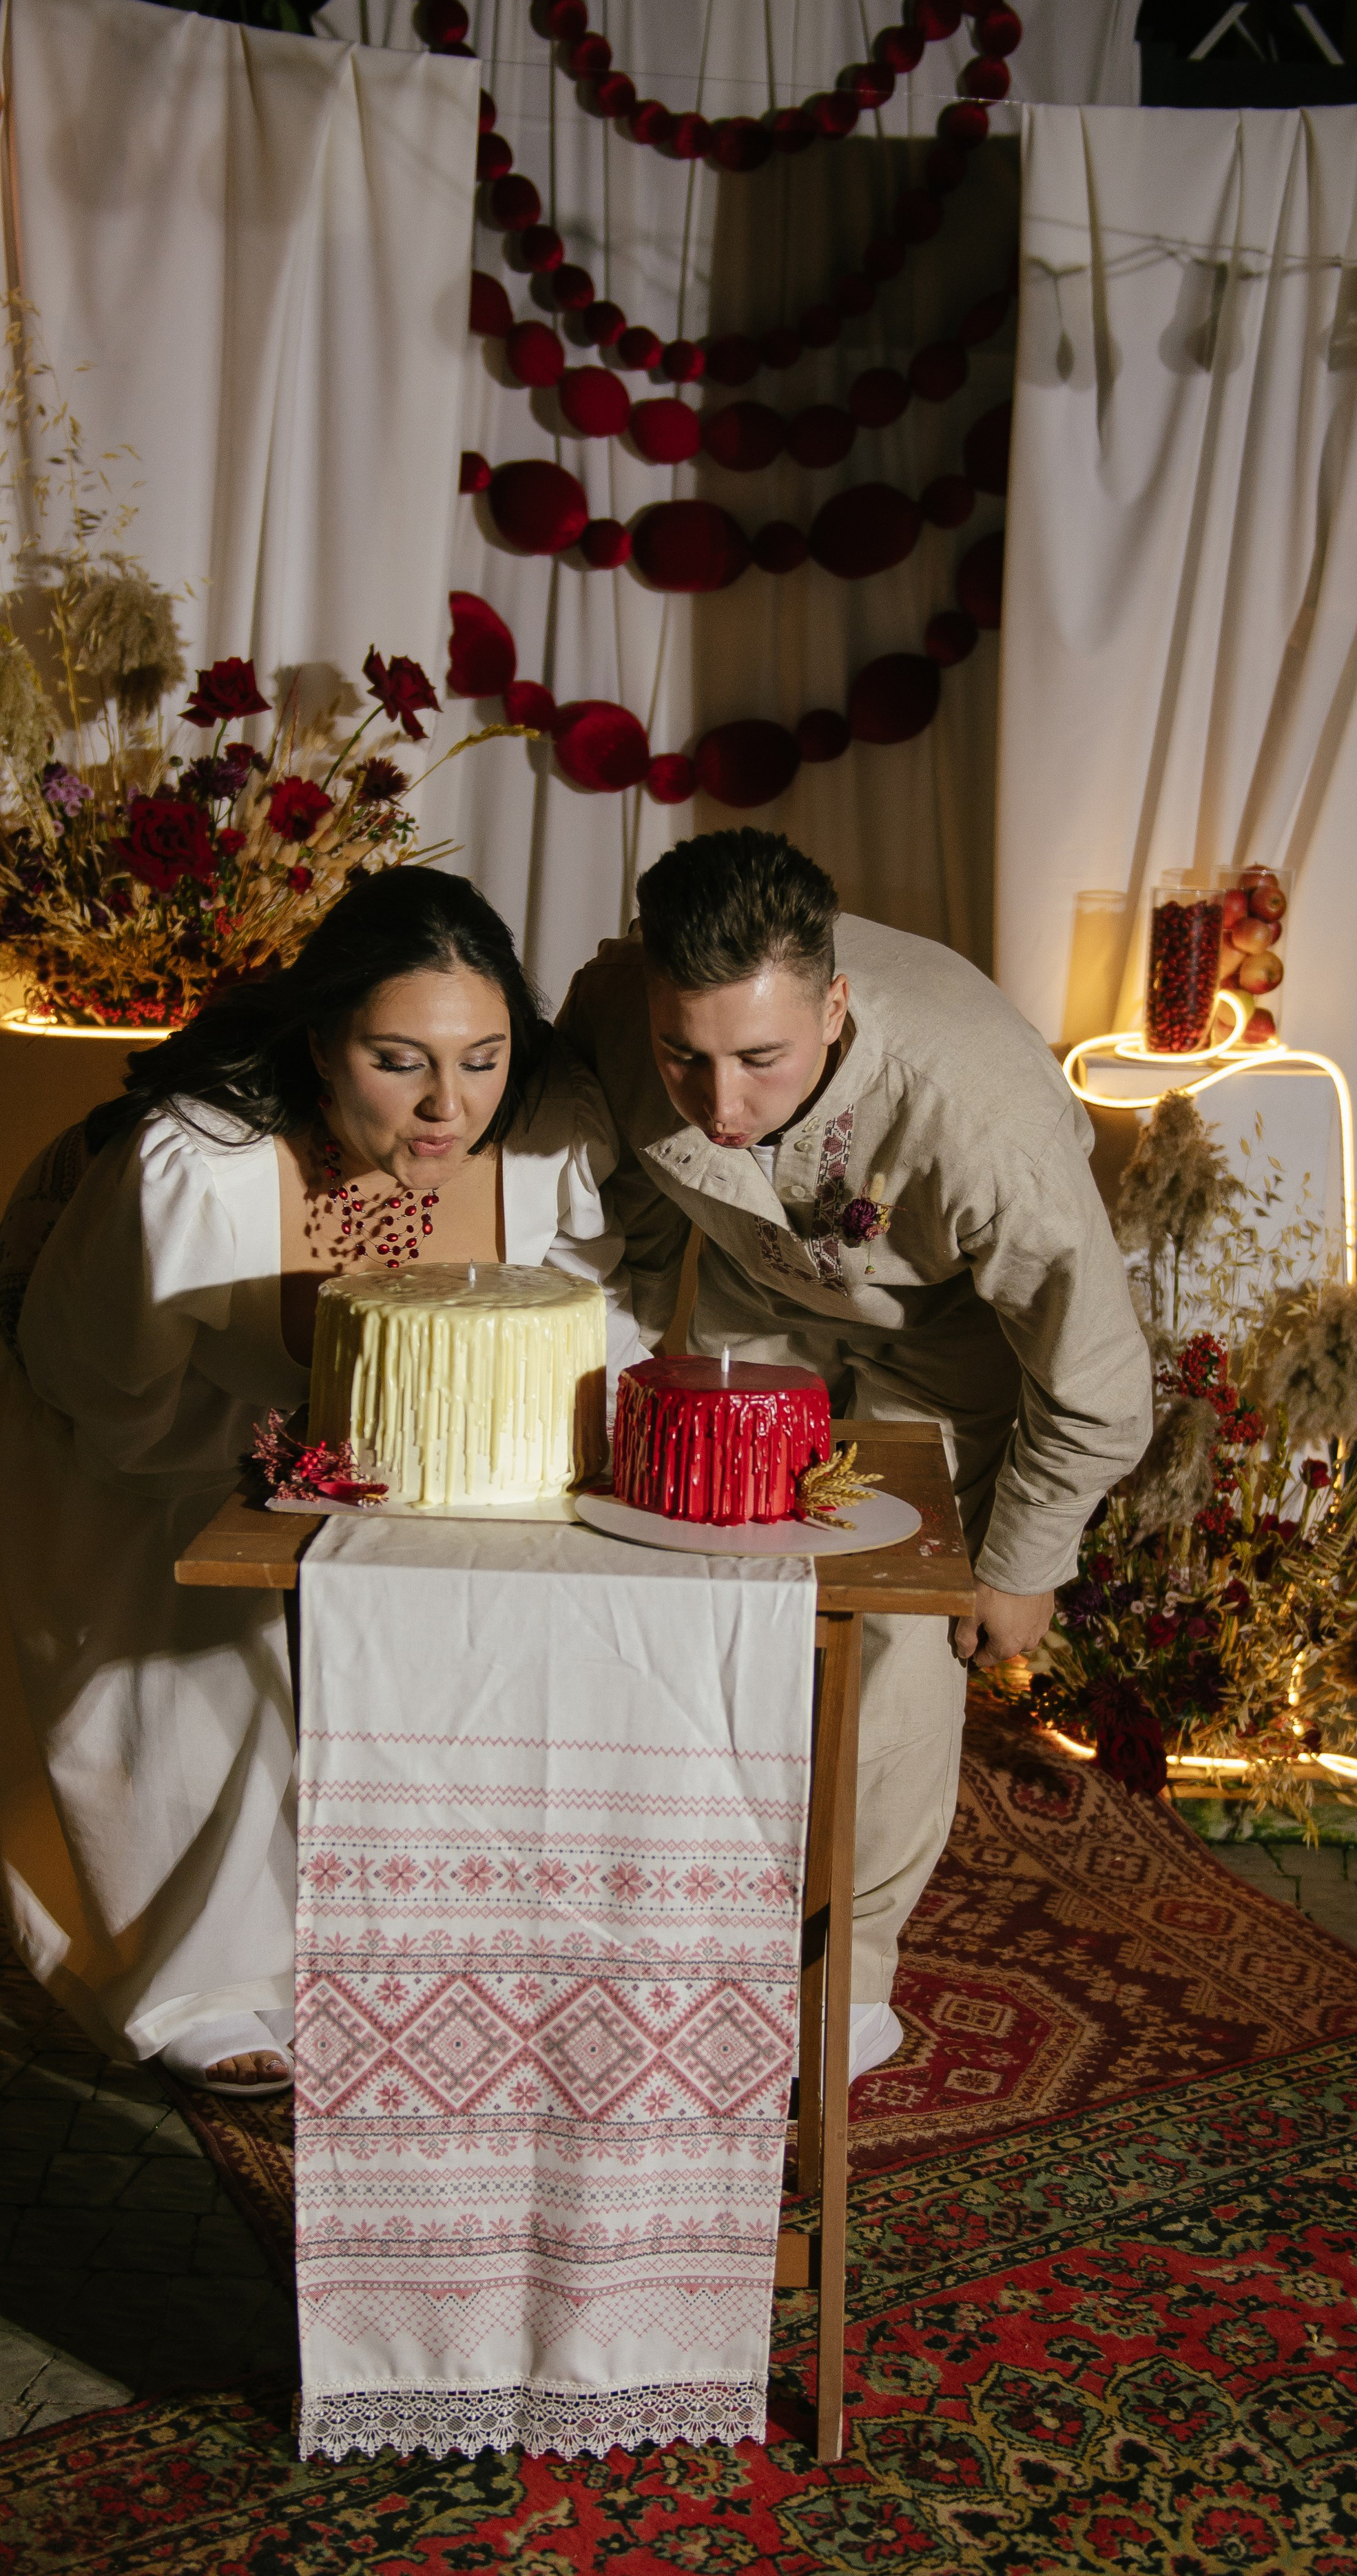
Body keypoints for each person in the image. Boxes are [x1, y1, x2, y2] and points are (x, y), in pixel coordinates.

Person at [0, 869, 636, 2096]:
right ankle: (199, 1978)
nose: (450, 1107)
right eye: (401, 1061)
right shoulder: (195, 1165)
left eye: (483, 1059)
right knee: (186, 1658)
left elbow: (582, 1318)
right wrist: (273, 1470)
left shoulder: (545, 1132)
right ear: (324, 1042)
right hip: (139, 1420)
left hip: (392, 1436)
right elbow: (110, 1394)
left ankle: (407, 1931)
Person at [559, 829, 1153, 2081]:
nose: (720, 1105)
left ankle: (847, 1986)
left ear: (833, 1006)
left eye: (762, 1060)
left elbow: (1097, 1381)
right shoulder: (619, 1010)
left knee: (889, 1656)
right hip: (753, 1322)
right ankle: (689, 1930)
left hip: (942, 1352)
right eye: (687, 1055)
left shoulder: (978, 1114)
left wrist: (1022, 1562)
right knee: (703, 1604)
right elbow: (637, 1213)